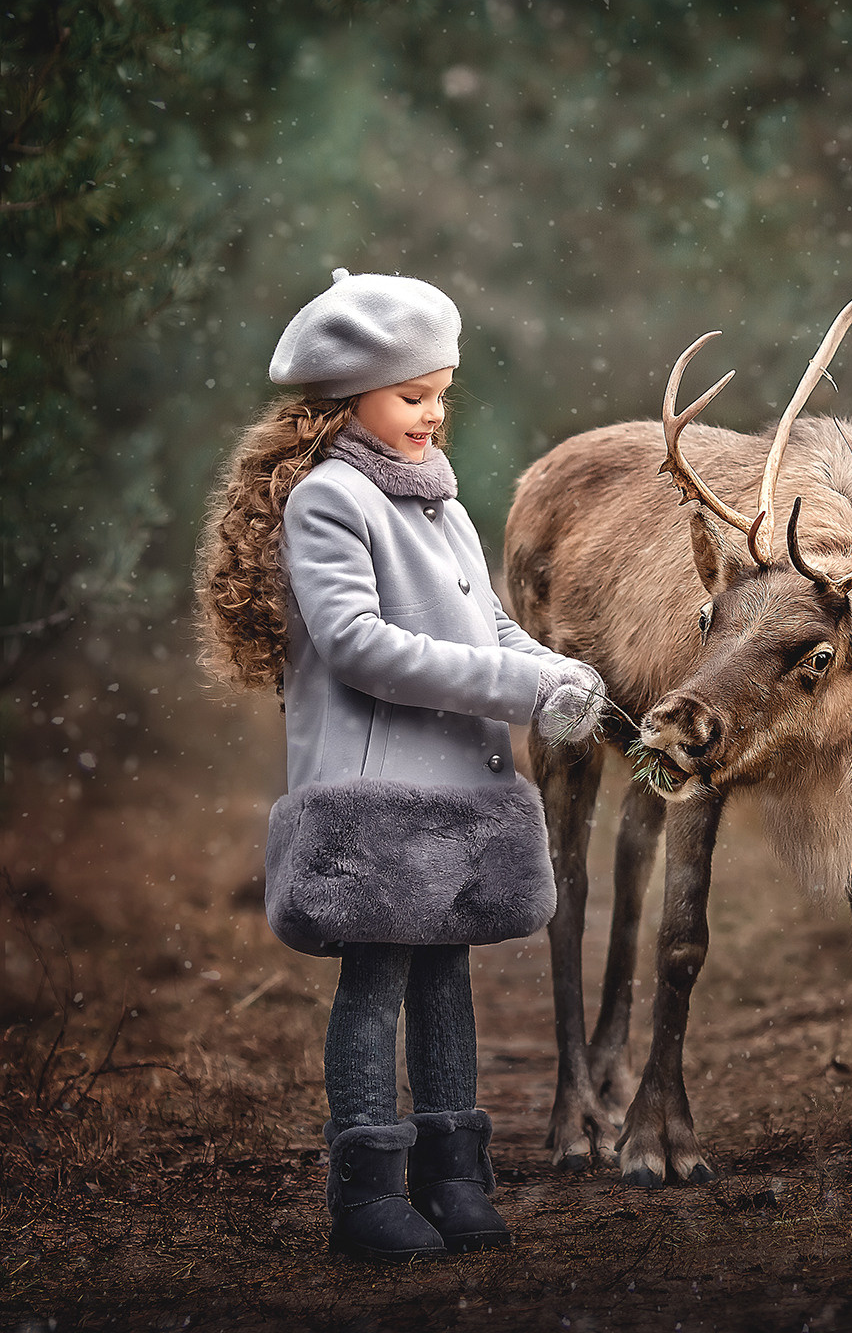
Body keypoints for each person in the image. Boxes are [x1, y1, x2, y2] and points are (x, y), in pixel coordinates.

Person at [196, 267, 604, 1262]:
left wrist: (558, 671)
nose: (433, 413)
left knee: (446, 982)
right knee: (376, 979)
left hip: (461, 787)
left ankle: (455, 1175)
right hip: (376, 792)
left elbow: (491, 622)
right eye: (413, 394)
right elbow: (361, 646)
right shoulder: (331, 500)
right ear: (350, 398)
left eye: (441, 393)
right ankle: (368, 1188)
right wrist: (515, 692)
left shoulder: (442, 504)